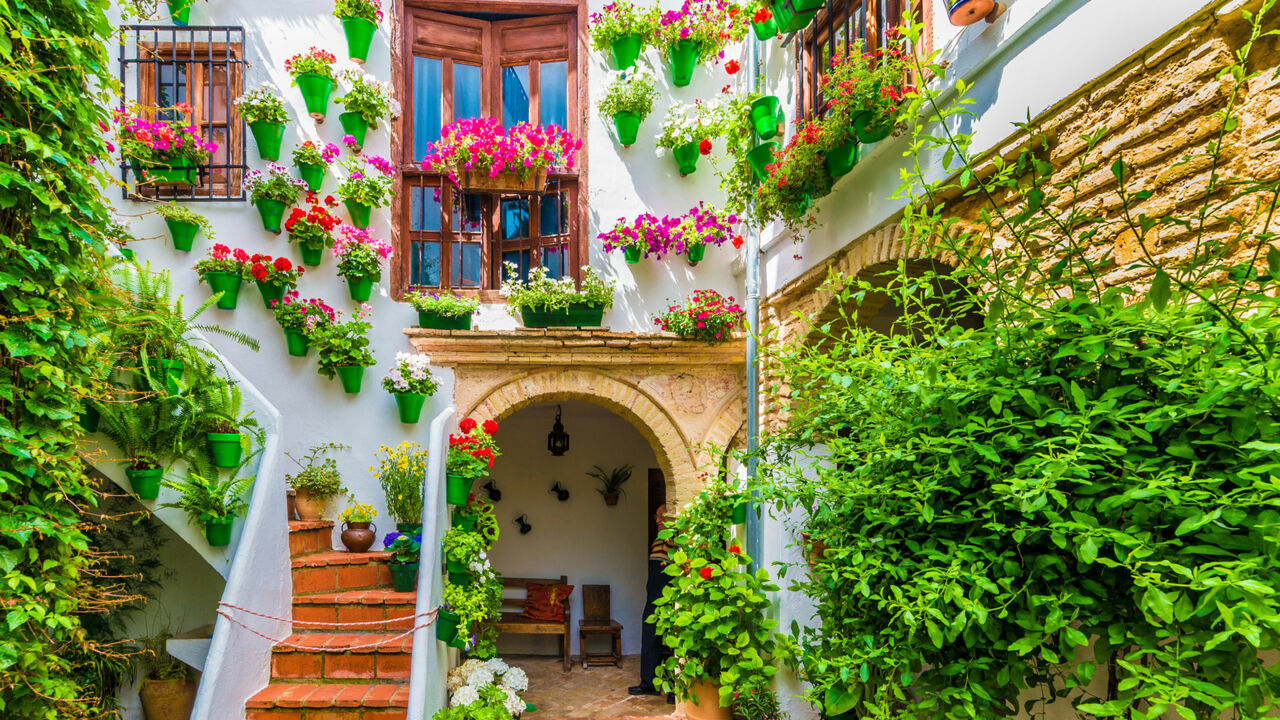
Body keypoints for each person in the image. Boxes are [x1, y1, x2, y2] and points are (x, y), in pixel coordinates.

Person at [629, 504, 674, 698]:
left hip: (670, 599)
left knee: (674, 643)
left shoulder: (677, 541)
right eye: (656, 516)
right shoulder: (657, 541)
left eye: (661, 517)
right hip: (652, 598)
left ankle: (675, 690)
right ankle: (649, 683)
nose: (656, 520)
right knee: (649, 639)